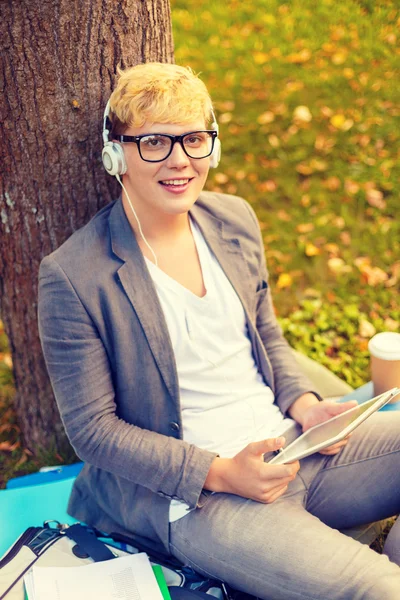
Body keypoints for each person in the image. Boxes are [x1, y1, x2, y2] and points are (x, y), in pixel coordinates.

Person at [38, 62, 400, 599]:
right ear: (117, 154)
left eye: (194, 139)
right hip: (201, 499)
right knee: (378, 589)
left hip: (295, 445)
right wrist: (223, 472)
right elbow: (94, 432)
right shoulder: (72, 276)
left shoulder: (234, 219)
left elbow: (265, 334)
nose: (180, 160)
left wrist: (304, 405)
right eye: (156, 142)